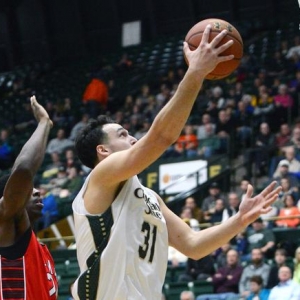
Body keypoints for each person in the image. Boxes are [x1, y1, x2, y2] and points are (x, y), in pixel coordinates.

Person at [71, 25, 281, 300]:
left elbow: (194, 245)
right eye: (123, 134)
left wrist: (240, 220)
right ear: (103, 151)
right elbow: (160, 137)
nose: (133, 138)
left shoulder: (150, 198)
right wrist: (195, 73)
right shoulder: (101, 177)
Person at [0, 96, 58, 299]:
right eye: (28, 190)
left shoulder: (42, 251)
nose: (36, 192)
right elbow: (24, 169)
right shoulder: (5, 226)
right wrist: (44, 123)